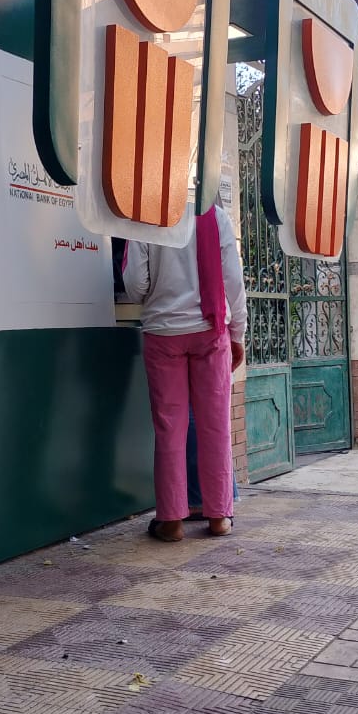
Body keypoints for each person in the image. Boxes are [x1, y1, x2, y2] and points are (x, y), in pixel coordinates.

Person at [122, 204, 247, 541]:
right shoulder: (215, 215)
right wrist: (237, 333)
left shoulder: (145, 214)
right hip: (210, 331)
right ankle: (219, 516)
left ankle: (172, 522)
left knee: (169, 427)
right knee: (215, 424)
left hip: (163, 332)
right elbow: (233, 280)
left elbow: (135, 284)